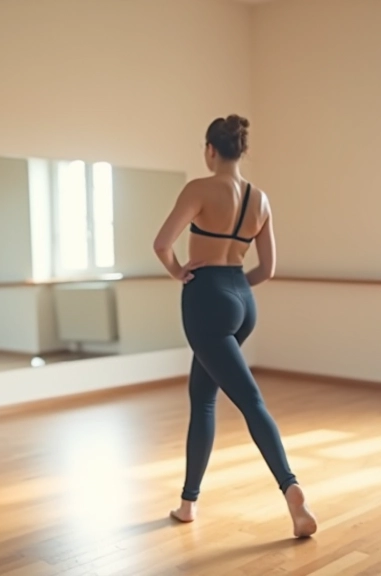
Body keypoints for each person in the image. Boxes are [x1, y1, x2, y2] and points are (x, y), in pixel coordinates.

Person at [153, 115, 317, 538]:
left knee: (250, 400)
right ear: (240, 151)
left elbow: (161, 244)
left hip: (206, 299)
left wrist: (179, 272)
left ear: (210, 150)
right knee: (203, 398)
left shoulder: (199, 189)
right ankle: (188, 503)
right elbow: (269, 268)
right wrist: (235, 287)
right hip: (243, 298)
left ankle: (291, 488)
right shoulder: (259, 199)